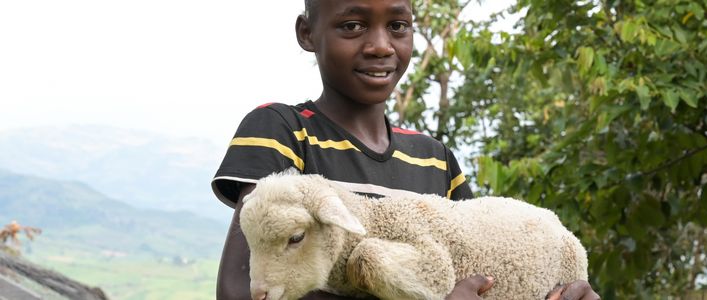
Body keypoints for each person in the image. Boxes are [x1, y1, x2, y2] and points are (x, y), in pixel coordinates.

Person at [212, 0, 600, 299]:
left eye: (397, 25)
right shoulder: (282, 131)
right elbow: (239, 289)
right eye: (353, 25)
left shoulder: (433, 157)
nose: (381, 46)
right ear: (307, 32)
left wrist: (569, 286)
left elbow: (478, 270)